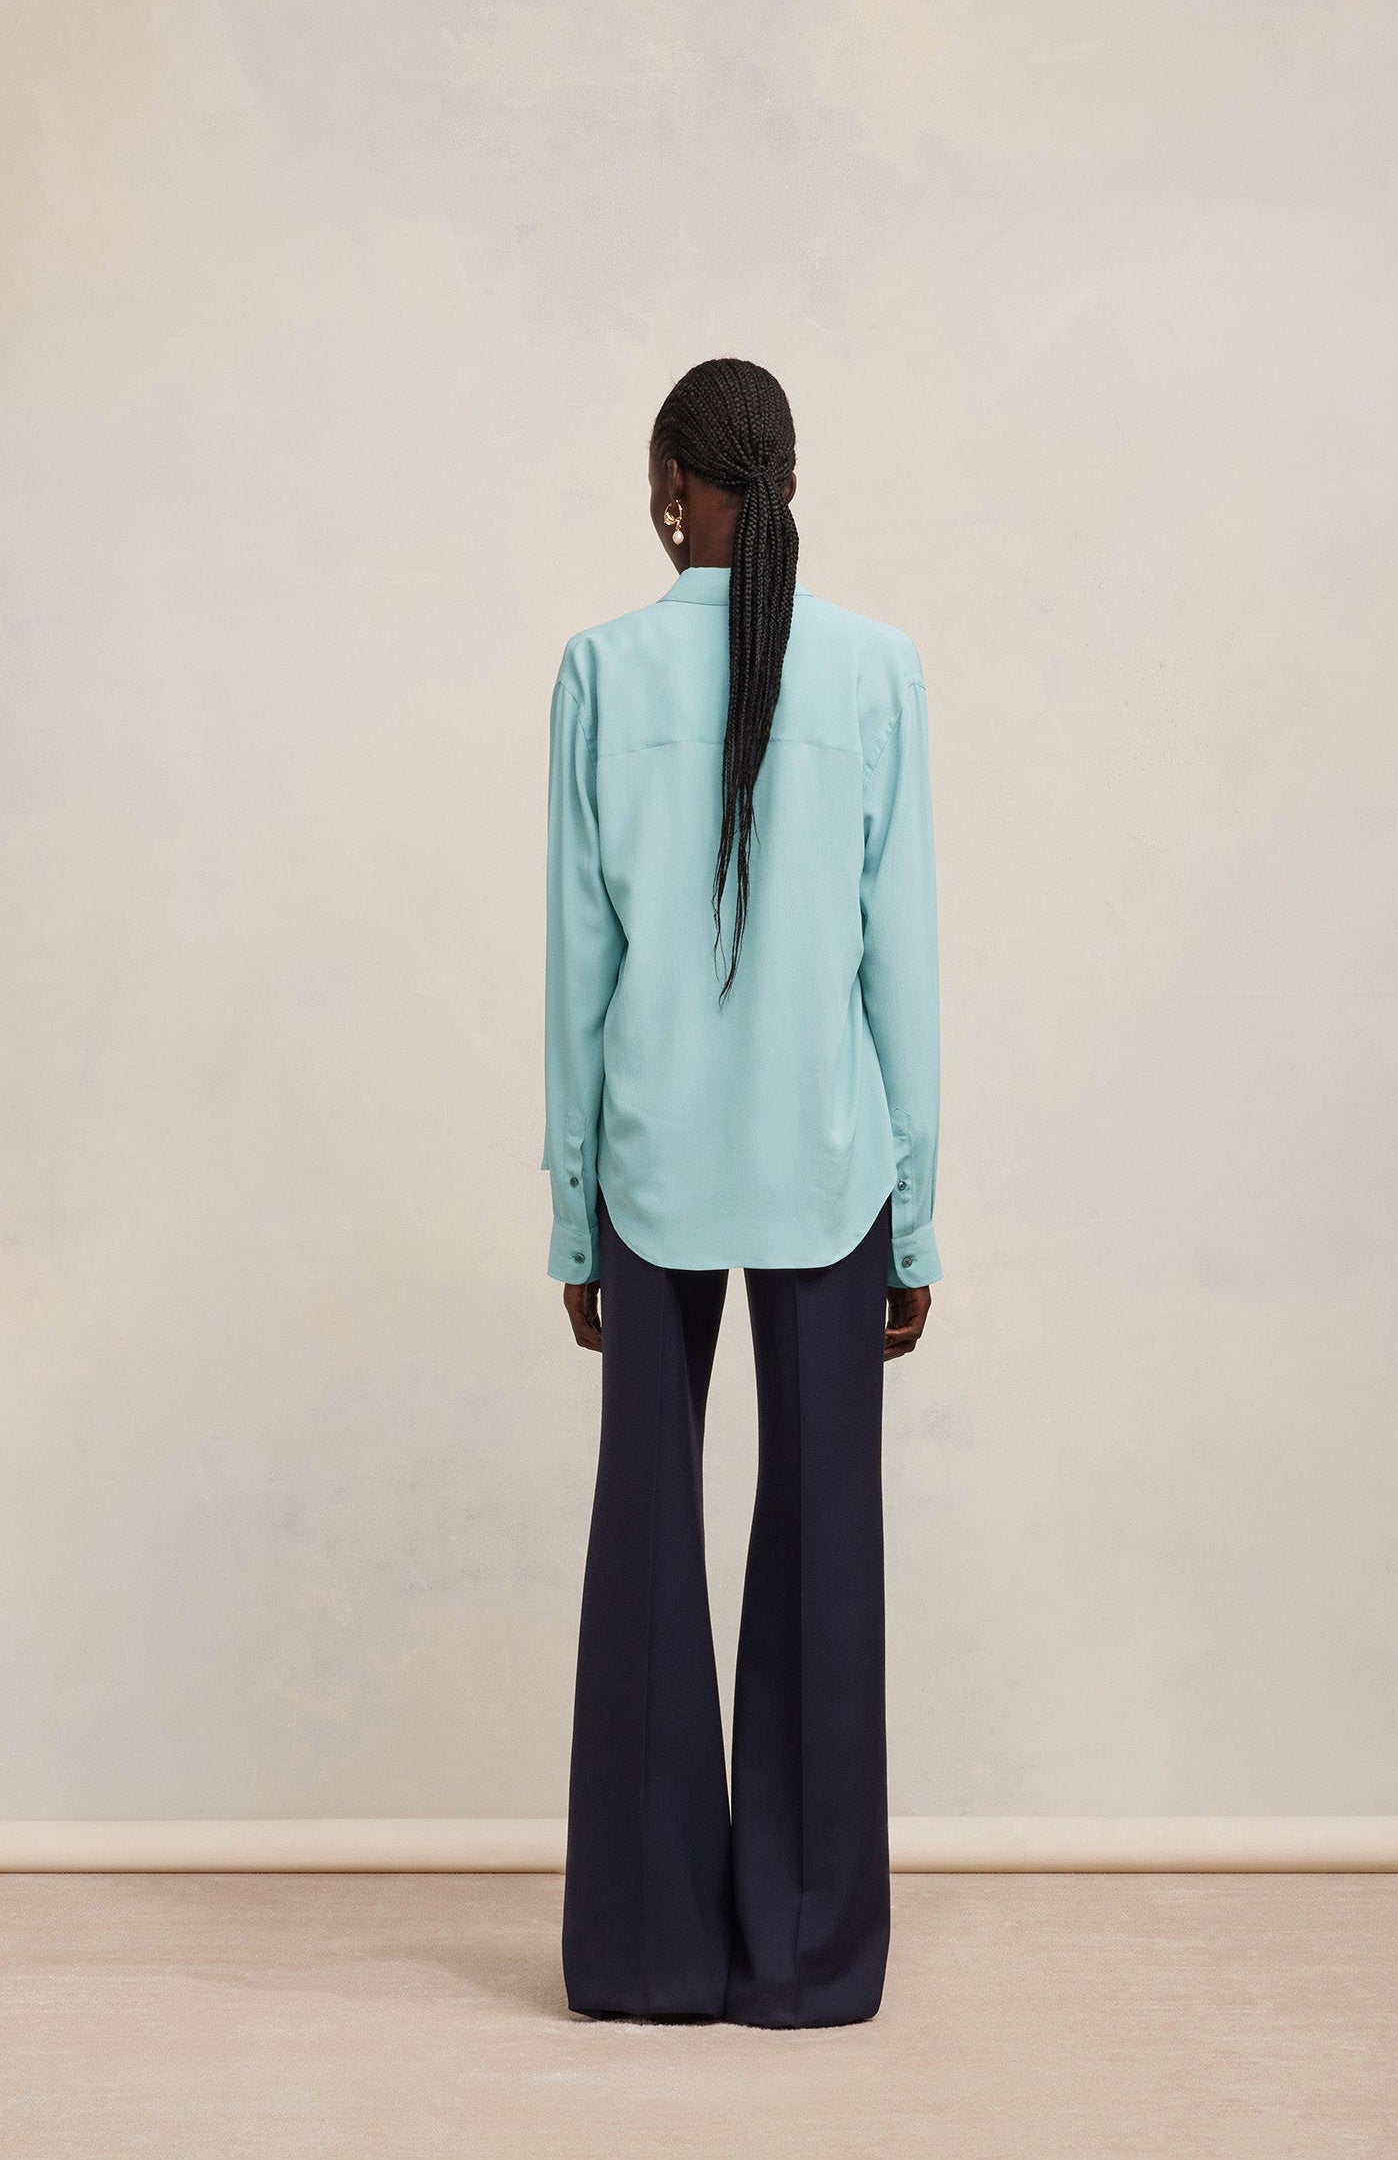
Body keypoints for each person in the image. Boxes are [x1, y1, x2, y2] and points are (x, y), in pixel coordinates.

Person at [541, 357, 941, 2029]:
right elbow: (898, 965)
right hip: (830, 1171)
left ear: (669, 486)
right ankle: (805, 1953)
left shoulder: (599, 668)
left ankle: (647, 1952)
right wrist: (916, 1212)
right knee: (824, 1544)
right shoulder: (875, 668)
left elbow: (579, 965)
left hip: (650, 1169)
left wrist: (572, 1207)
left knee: (646, 1539)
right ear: (784, 480)